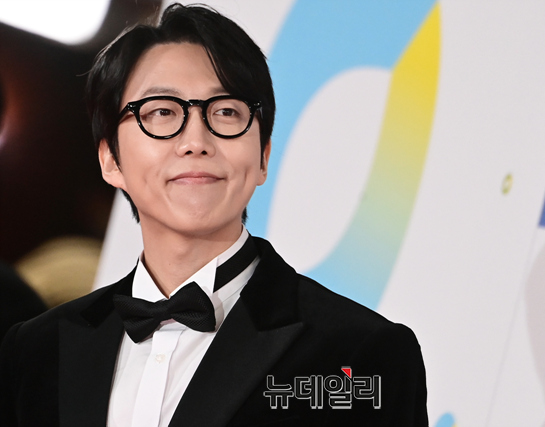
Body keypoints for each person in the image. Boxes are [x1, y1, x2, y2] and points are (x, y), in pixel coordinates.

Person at [0, 4, 428, 426]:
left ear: (263, 157)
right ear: (111, 159)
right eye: (162, 112)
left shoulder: (360, 352)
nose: (196, 141)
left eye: (225, 112)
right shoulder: (35, 350)